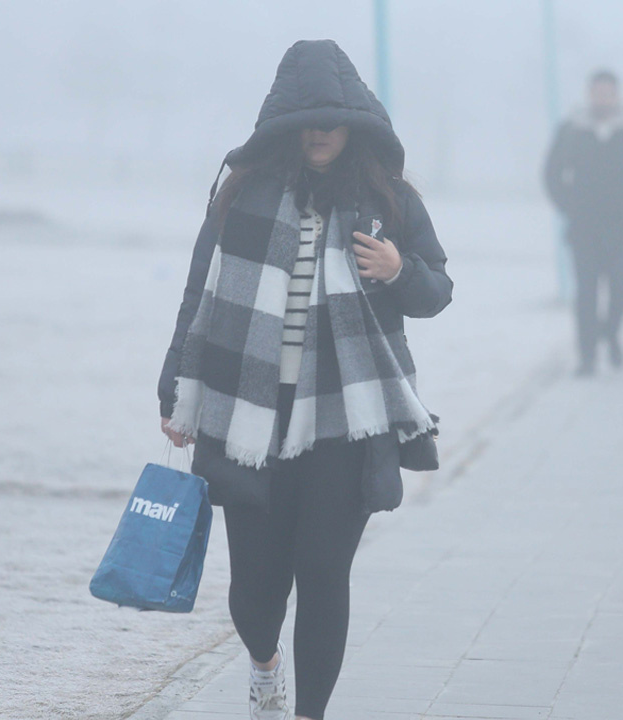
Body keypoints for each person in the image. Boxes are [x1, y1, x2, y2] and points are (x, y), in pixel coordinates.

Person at [156, 40, 452, 720]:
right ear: (284, 126)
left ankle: (309, 715)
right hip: (245, 413)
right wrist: (175, 386)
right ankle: (264, 667)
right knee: (253, 596)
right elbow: (196, 291)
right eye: (306, 120)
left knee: (324, 577)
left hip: (343, 423)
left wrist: (397, 270)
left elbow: (437, 290)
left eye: (332, 119)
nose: (319, 132)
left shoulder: (388, 203)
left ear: (355, 125)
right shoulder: (243, 193)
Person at [544, 69, 623, 376]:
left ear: (617, 95)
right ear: (589, 93)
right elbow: (552, 172)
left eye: (608, 93)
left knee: (622, 290)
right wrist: (567, 205)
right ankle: (587, 355)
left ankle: (610, 332)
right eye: (597, 92)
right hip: (583, 227)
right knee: (586, 294)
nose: (602, 98)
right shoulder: (572, 130)